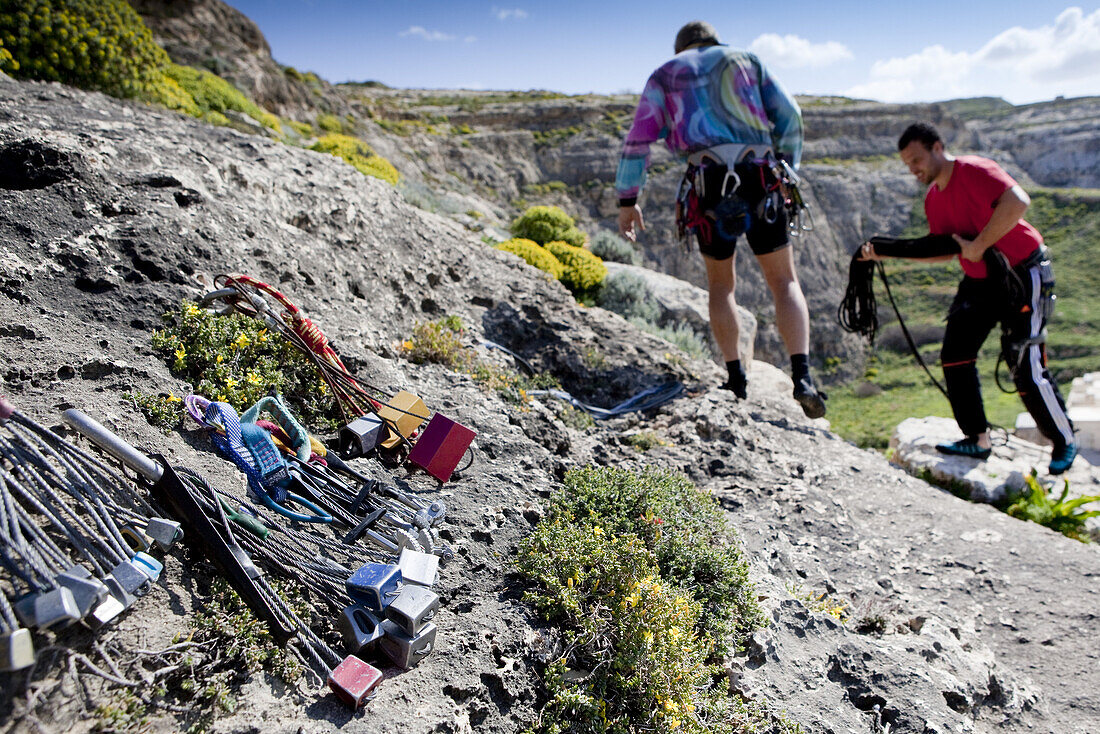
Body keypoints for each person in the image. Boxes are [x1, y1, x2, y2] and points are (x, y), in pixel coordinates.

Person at [615, 20, 826, 419]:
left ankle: (736, 379)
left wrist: (628, 198)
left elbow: (638, 140)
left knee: (720, 285)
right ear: (713, 40)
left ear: (682, 48)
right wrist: (787, 168)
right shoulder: (747, 61)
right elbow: (790, 115)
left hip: (707, 183)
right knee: (784, 281)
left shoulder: (666, 74)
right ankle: (803, 377)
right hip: (760, 175)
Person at [860, 122, 1076, 475]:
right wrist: (887, 253)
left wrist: (978, 245)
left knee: (1024, 358)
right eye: (908, 164)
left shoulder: (975, 170)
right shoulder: (935, 198)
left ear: (938, 147)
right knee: (955, 355)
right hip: (980, 279)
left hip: (1023, 271)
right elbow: (943, 248)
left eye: (917, 159)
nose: (914, 169)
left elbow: (1017, 202)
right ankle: (977, 439)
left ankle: (1063, 439)